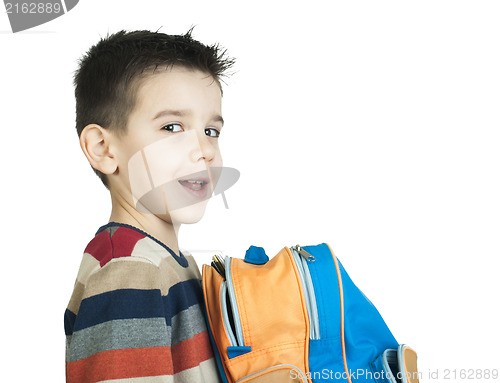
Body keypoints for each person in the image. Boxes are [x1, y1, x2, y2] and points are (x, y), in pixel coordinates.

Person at [64, 28, 234, 382]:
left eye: (211, 131)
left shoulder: (169, 262)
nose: (205, 150)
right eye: (173, 127)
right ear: (103, 149)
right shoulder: (128, 268)